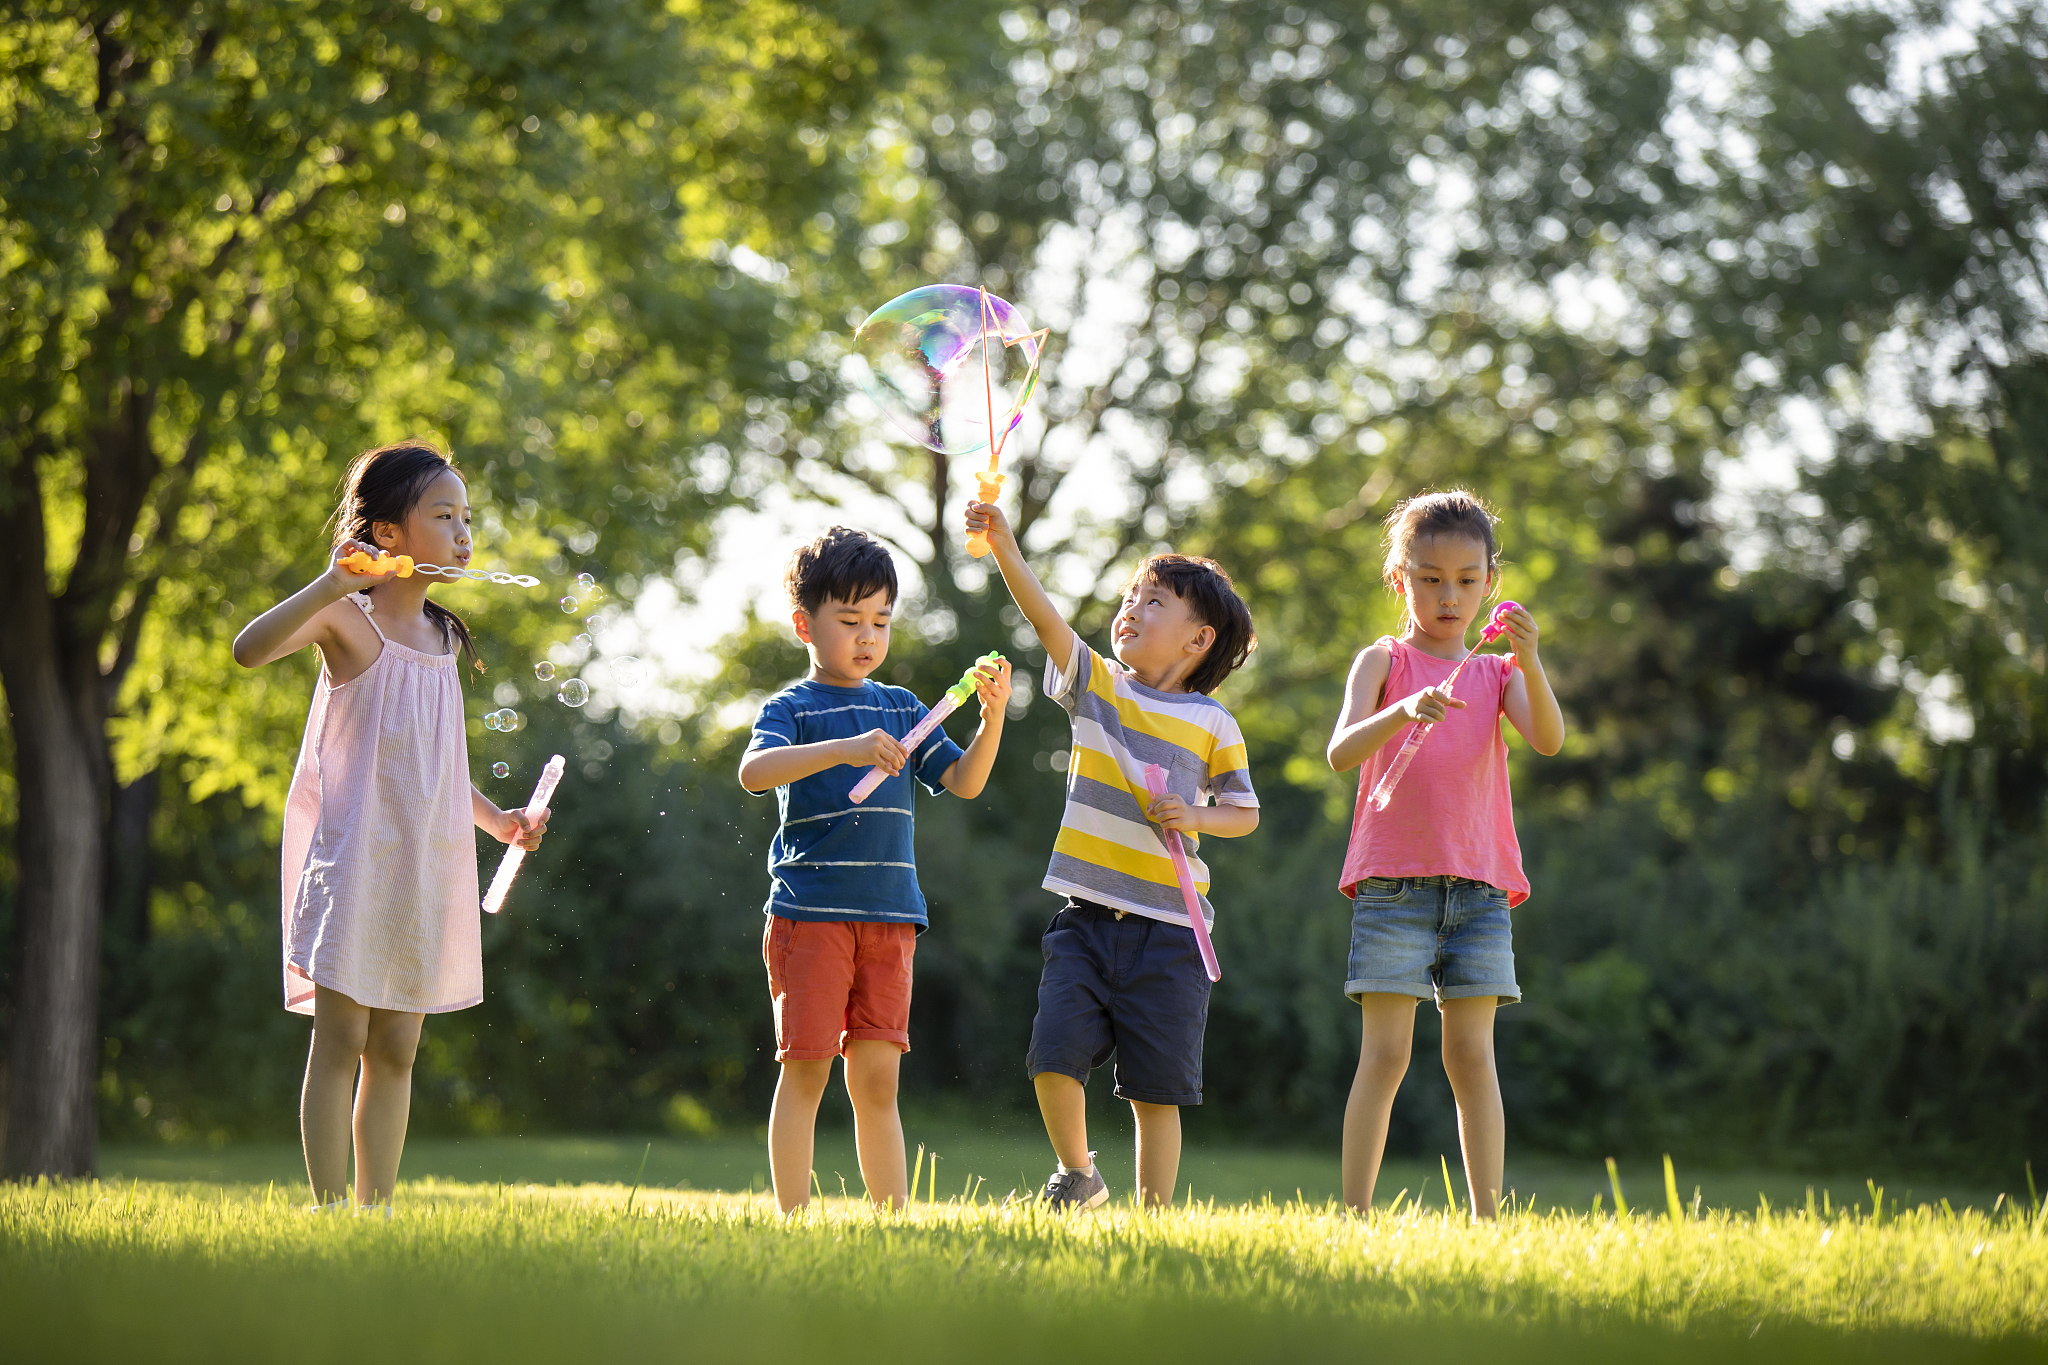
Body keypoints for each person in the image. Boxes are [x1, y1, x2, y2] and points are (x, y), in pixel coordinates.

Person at [232, 440, 549, 1213]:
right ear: (387, 534)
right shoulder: (347, 620)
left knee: (399, 1047)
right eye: (444, 515)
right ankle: (330, 1206)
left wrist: (497, 821)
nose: (464, 532)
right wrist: (329, 583)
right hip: (354, 864)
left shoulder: (442, 640)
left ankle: (376, 1212)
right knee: (340, 1036)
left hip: (420, 868)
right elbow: (248, 650)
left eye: (467, 517)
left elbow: (434, 767)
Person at [964, 498, 1259, 1211]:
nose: (1130, 608)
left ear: (1197, 639)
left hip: (1172, 934)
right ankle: (1079, 1172)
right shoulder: (1097, 686)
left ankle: (1153, 1217)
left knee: (1157, 1090)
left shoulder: (1212, 721)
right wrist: (1004, 544)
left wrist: (1195, 814)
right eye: (1130, 596)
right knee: (1052, 1056)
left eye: (1153, 601)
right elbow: (1045, 620)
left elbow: (1244, 813)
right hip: (1086, 920)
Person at [737, 527, 1011, 1213]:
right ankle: (792, 1219)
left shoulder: (903, 707)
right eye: (850, 619)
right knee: (806, 1070)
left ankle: (893, 1220)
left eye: (881, 621)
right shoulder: (791, 709)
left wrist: (994, 716)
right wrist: (846, 748)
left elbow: (964, 779)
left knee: (878, 1081)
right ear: (805, 623)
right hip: (811, 916)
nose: (868, 636)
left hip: (890, 918)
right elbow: (754, 771)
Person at [1324, 490, 1565, 1219]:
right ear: (1400, 579)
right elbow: (1340, 752)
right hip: (1393, 888)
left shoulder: (1496, 675)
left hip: (1480, 889)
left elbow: (1548, 739)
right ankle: (1356, 1212)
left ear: (1489, 582)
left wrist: (1529, 656)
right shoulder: (1383, 660)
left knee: (1472, 1057)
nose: (1449, 594)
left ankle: (1487, 1217)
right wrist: (1399, 710)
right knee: (1387, 1054)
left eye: (1466, 579)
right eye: (1430, 578)